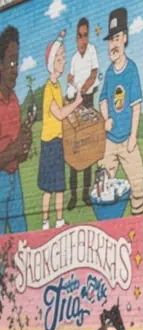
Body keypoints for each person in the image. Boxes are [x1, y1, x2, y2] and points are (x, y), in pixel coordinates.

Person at [98, 7, 143, 216]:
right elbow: (102, 100)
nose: (113, 44)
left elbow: (136, 106)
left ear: (125, 38)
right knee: (102, 187)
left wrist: (133, 136)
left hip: (127, 139)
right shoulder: (109, 73)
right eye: (110, 40)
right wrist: (105, 117)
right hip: (110, 141)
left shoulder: (131, 69)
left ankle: (137, 218)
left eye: (117, 38)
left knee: (140, 182)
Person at [40, 33, 83, 231]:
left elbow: (63, 109)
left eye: (64, 57)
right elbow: (58, 114)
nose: (63, 61)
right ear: (52, 64)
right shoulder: (49, 88)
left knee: (59, 186)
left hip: (57, 142)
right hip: (49, 143)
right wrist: (76, 103)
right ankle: (44, 224)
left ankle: (58, 221)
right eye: (59, 58)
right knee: (48, 188)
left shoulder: (57, 86)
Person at [67, 17, 99, 211]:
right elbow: (70, 77)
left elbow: (94, 74)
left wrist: (84, 89)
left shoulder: (92, 51)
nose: (83, 40)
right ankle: (73, 196)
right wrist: (71, 81)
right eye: (80, 36)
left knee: (86, 151)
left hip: (86, 100)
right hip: (75, 103)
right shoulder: (73, 58)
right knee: (74, 150)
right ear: (76, 37)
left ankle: (85, 194)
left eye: (86, 35)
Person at [0, 25, 30, 234]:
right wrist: (15, 149)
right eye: (11, 61)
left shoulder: (15, 102)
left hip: (15, 178)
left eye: (17, 62)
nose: (15, 68)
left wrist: (24, 146)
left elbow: (19, 153)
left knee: (23, 240)